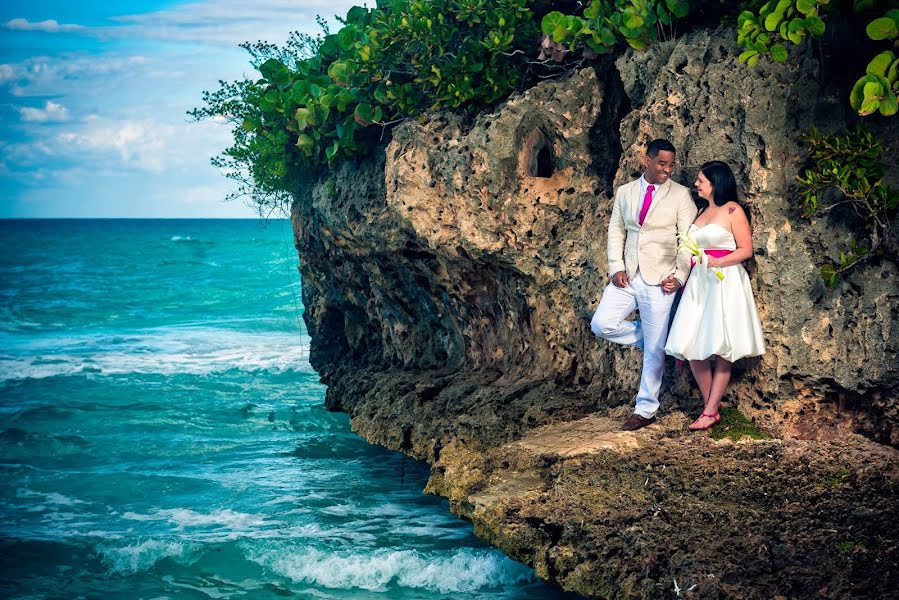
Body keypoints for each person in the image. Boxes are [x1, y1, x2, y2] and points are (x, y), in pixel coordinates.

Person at [591, 139, 698, 431]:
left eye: (671, 164)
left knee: (654, 350)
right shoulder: (625, 192)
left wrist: (679, 275)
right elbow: (616, 230)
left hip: (661, 279)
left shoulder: (681, 195)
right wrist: (616, 267)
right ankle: (656, 341)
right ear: (647, 160)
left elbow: (687, 240)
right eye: (662, 163)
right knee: (601, 324)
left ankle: (646, 410)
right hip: (628, 275)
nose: (667, 169)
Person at [664, 160, 766, 430]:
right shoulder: (700, 213)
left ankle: (709, 411)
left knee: (723, 345)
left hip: (725, 281)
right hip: (699, 282)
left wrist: (717, 263)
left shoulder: (733, 210)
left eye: (701, 180)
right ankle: (713, 404)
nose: (696, 184)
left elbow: (746, 249)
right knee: (691, 345)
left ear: (715, 183)